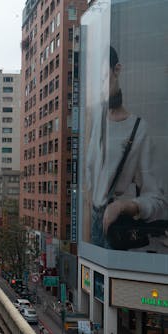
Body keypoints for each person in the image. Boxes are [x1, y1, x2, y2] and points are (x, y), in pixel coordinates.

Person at [85, 46, 167, 248]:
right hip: (92, 228)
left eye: (105, 77)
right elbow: (88, 189)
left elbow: (157, 200)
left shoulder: (138, 129)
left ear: (117, 70)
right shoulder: (94, 119)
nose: (101, 87)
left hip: (115, 228)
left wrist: (124, 206)